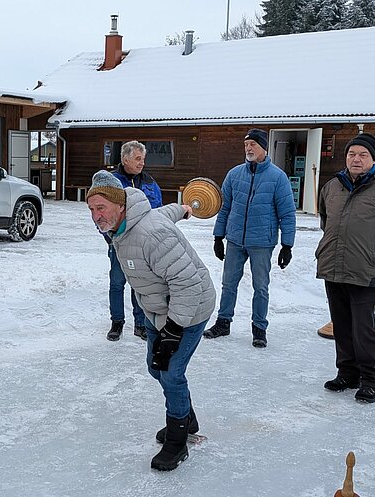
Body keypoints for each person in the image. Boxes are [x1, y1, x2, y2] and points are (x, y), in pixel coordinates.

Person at [86, 170, 215, 472]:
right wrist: (184, 209)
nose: (95, 216)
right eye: (91, 209)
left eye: (101, 207)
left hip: (190, 308)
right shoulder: (127, 223)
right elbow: (166, 212)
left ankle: (178, 440)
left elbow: (187, 283)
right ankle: (187, 418)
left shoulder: (150, 235)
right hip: (158, 309)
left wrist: (173, 330)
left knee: (170, 372)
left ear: (120, 205)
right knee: (155, 368)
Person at [205, 128, 296, 347]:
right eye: (246, 145)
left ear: (264, 147)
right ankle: (223, 322)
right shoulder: (234, 174)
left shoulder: (278, 177)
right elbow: (224, 208)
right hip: (235, 240)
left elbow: (287, 213)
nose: (248, 148)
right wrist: (218, 236)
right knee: (228, 284)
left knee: (260, 287)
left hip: (262, 243)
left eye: (253, 144)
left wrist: (287, 245)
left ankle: (259, 328)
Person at [316, 133, 375, 404]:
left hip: (365, 270)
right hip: (334, 266)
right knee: (342, 325)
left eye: (362, 155)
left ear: (373, 159)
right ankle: (347, 373)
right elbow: (325, 220)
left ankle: (371, 380)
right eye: (351, 154)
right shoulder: (332, 186)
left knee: (364, 329)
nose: (356, 159)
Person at [105, 140, 163, 341]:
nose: (142, 163)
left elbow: (157, 211)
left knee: (140, 285)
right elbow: (101, 212)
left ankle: (141, 324)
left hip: (142, 245)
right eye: (138, 159)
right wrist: (110, 237)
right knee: (117, 283)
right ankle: (117, 323)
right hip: (118, 243)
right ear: (125, 159)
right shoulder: (111, 182)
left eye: (143, 159)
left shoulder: (149, 182)